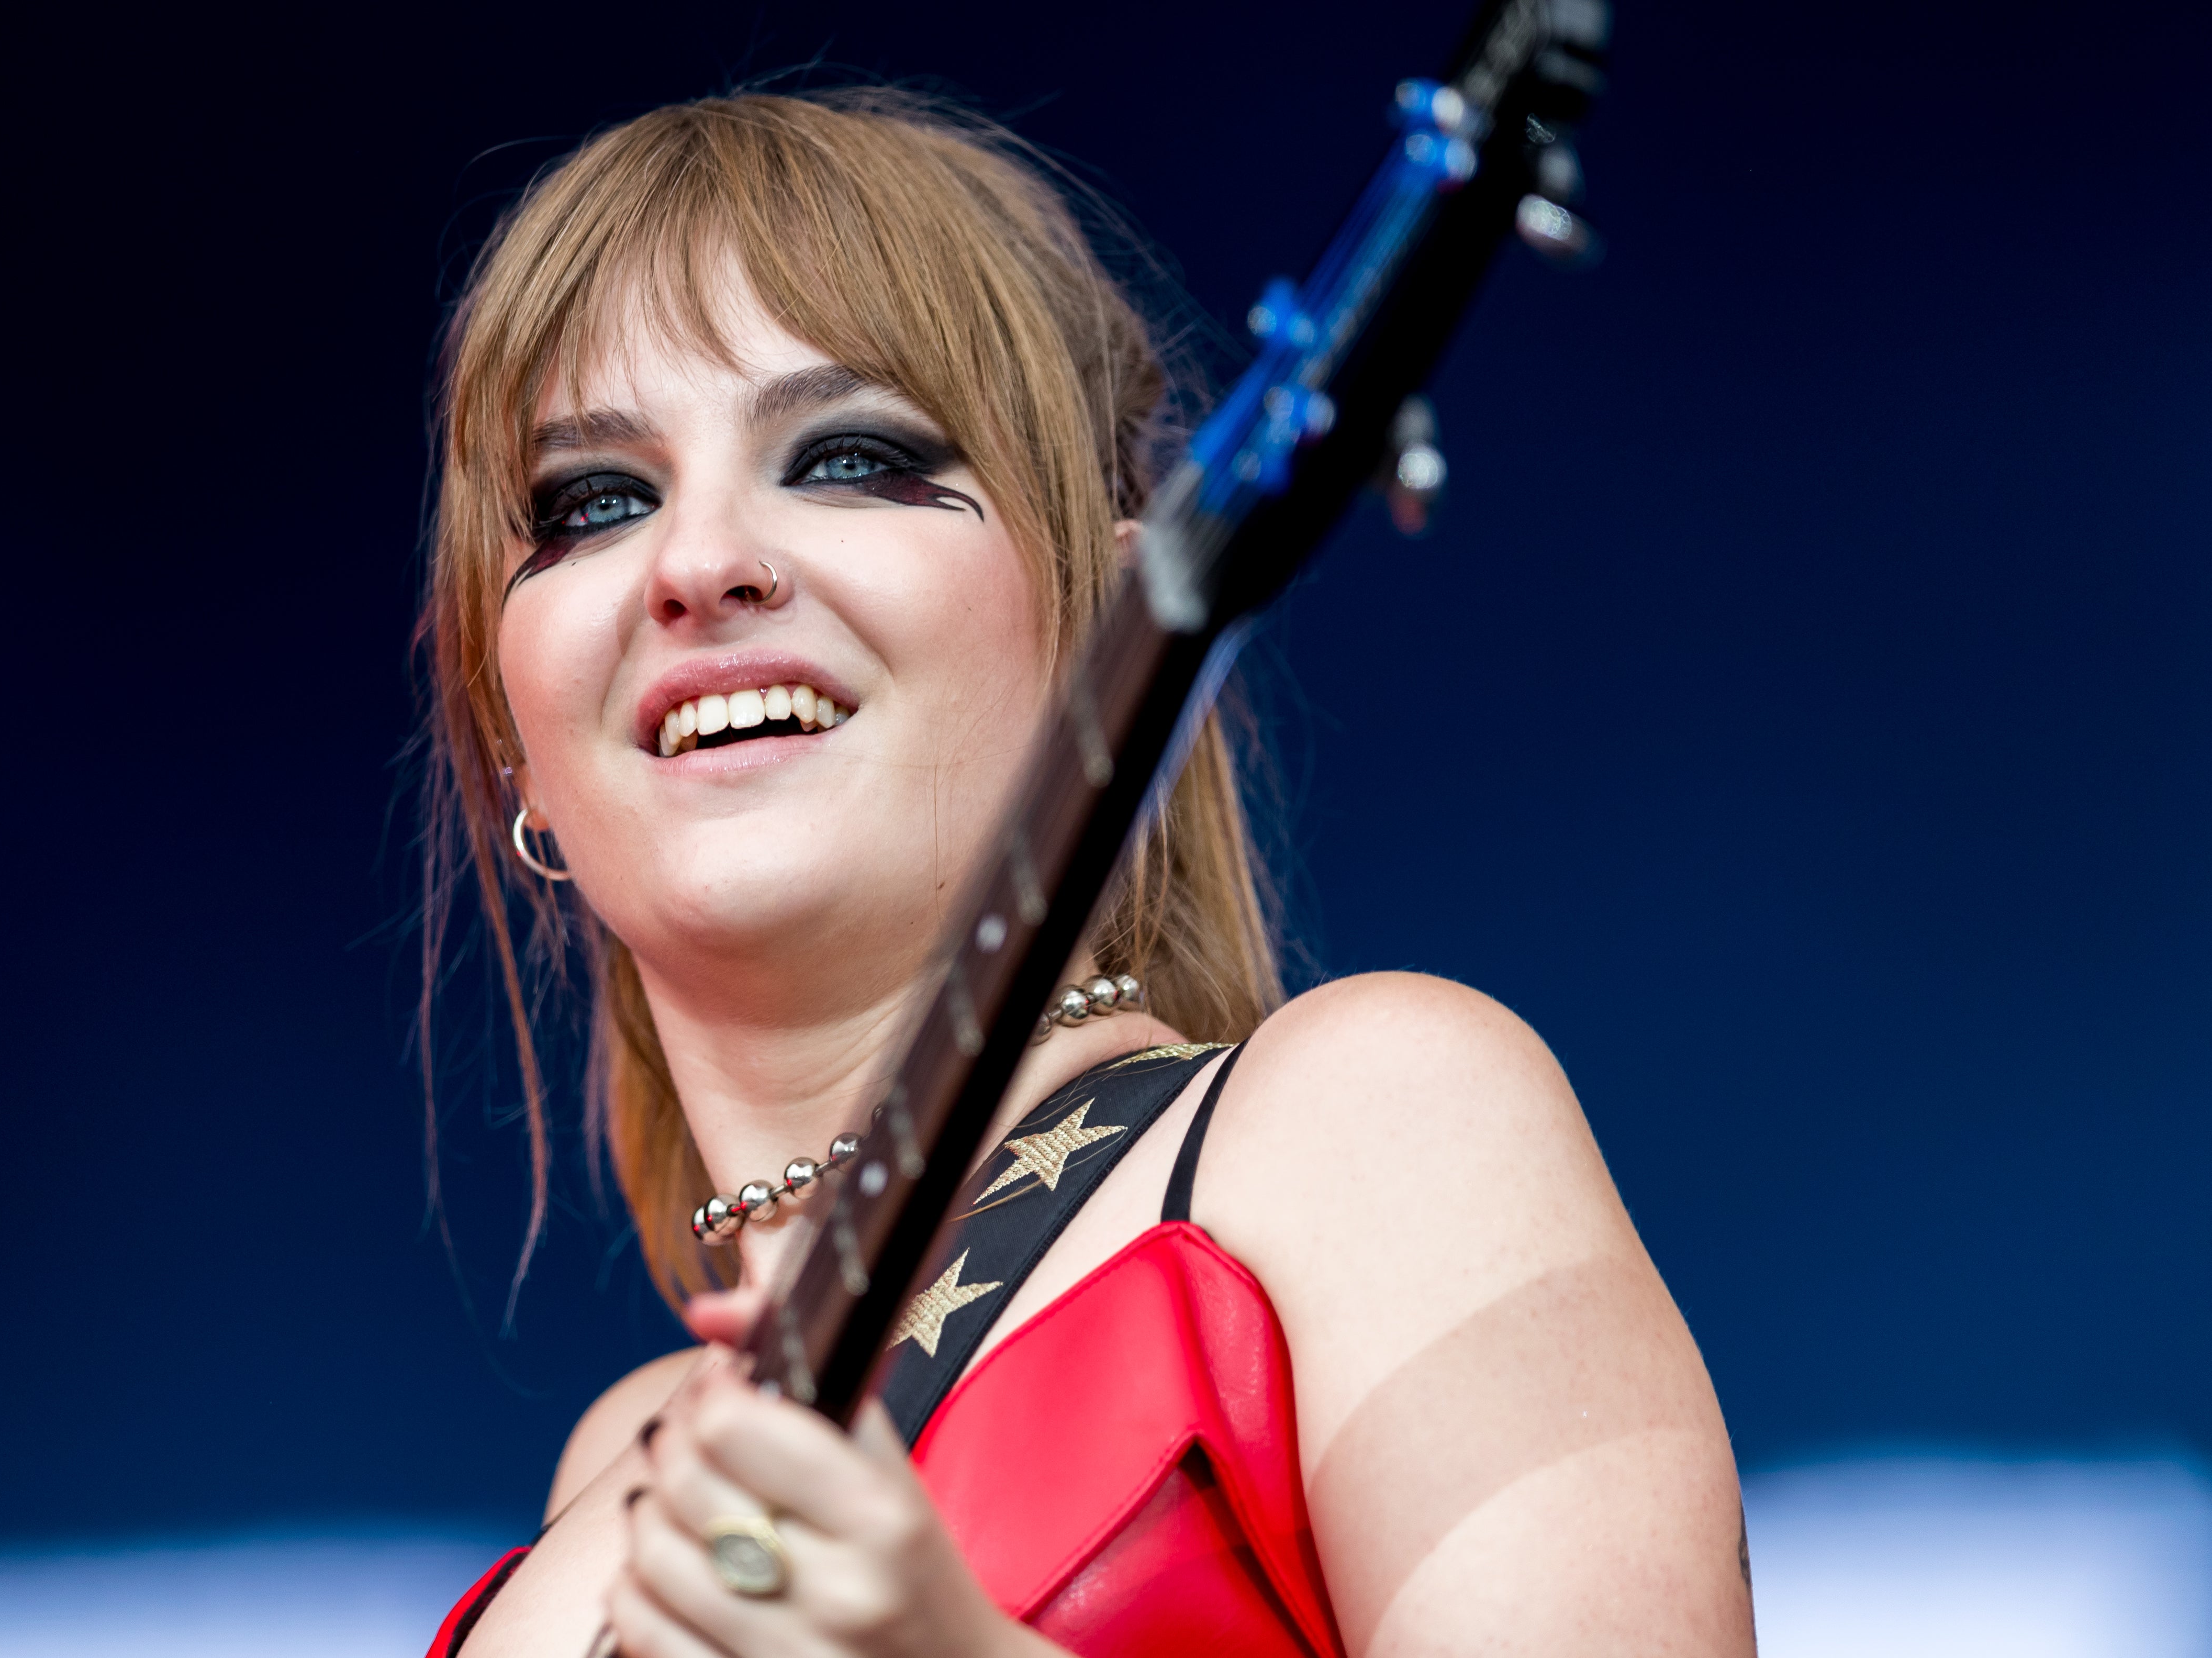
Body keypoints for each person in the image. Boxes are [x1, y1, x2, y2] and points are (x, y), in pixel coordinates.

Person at [418, 89, 1753, 1657]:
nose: (700, 561)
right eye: (594, 503)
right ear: (518, 752)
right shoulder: (620, 1475)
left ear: (1107, 626)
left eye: (849, 457)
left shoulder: (1370, 1127)